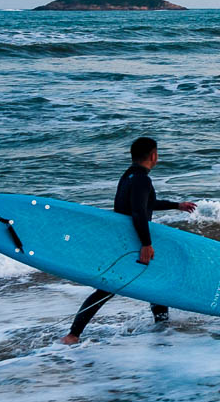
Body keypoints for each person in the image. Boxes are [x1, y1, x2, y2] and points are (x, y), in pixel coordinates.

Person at [61, 136, 197, 344]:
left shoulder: (129, 176)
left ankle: (161, 327)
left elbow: (147, 204)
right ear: (153, 155)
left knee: (153, 283)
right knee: (108, 288)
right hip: (132, 242)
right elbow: (139, 212)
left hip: (124, 240)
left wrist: (176, 205)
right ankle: (73, 334)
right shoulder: (142, 179)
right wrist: (146, 243)